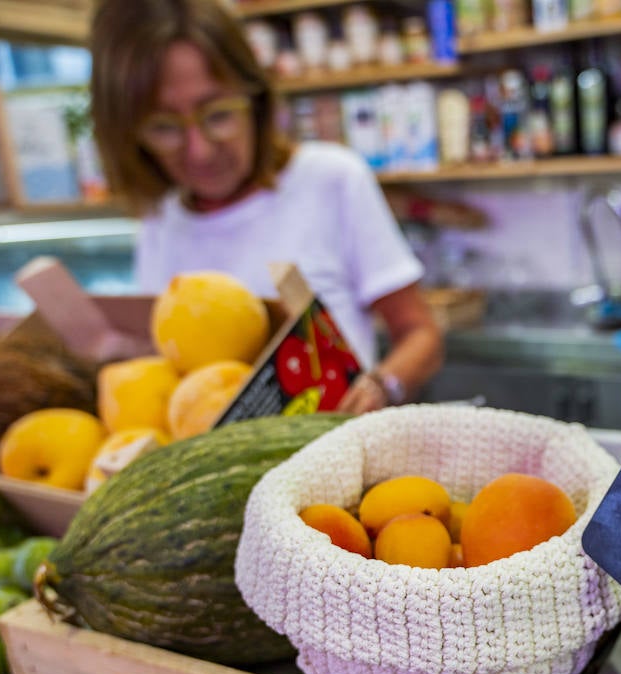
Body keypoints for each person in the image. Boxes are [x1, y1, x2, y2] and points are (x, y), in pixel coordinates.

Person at [88, 0, 444, 414]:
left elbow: (421, 334)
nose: (200, 151)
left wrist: (383, 385)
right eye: (164, 127)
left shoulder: (330, 179)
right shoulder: (160, 221)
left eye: (218, 115)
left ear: (255, 100)